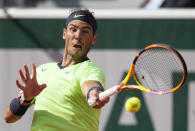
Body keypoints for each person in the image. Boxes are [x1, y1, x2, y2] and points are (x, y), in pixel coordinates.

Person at [4, 8, 110, 131]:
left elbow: (91, 85)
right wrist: (25, 99)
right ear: (65, 34)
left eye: (85, 31)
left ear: (94, 39)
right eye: (73, 29)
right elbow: (8, 117)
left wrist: (93, 93)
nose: (78, 36)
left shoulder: (90, 71)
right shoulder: (42, 71)